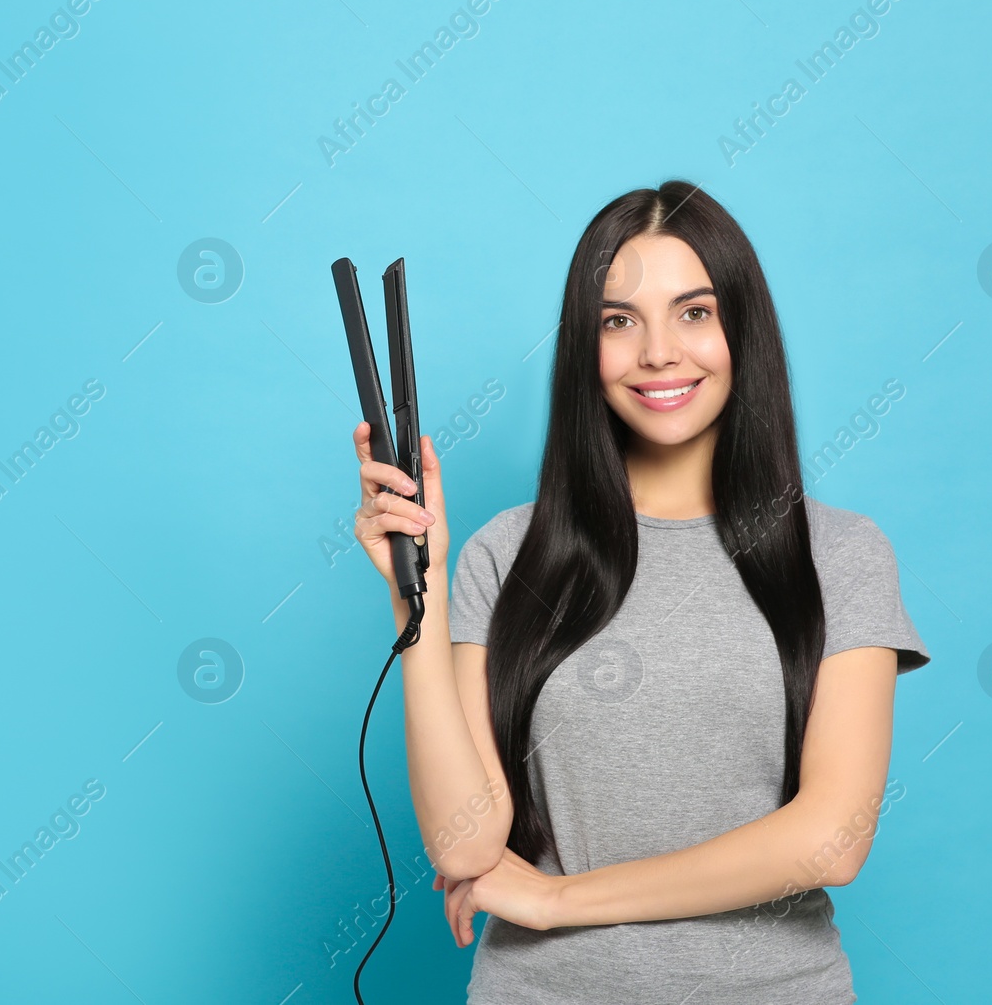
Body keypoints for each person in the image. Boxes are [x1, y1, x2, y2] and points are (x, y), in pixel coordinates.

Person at [348, 180, 929, 1003]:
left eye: (694, 312)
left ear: (742, 332)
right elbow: (465, 843)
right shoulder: (503, 554)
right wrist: (420, 592)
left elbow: (832, 839)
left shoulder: (840, 554)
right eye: (618, 321)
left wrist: (559, 898)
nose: (658, 351)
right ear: (586, 349)